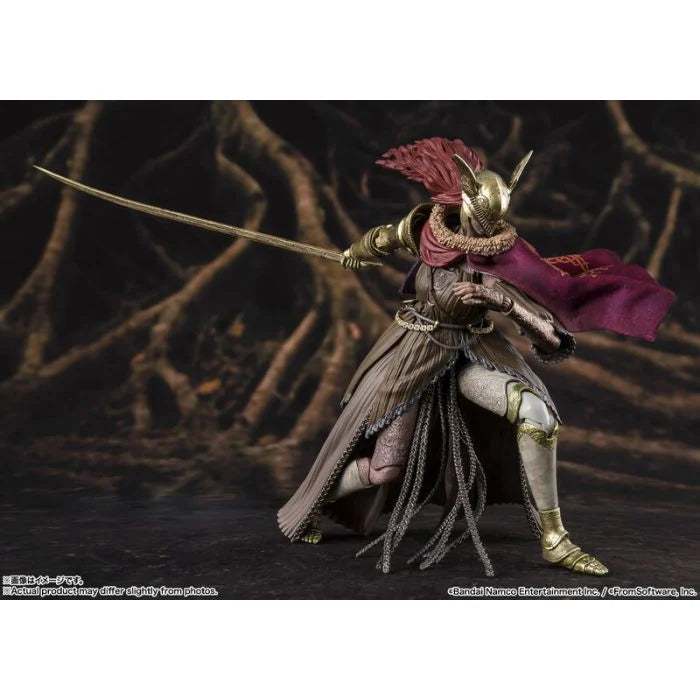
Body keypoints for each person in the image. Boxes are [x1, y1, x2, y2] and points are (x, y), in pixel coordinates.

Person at [277, 137, 675, 576]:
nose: (484, 235)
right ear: (463, 204)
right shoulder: (426, 227)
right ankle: (314, 503)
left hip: (472, 352)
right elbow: (383, 238)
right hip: (413, 352)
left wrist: (505, 304)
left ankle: (555, 537)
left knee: (537, 414)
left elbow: (549, 338)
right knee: (384, 468)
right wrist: (356, 253)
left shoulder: (508, 258)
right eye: (478, 222)